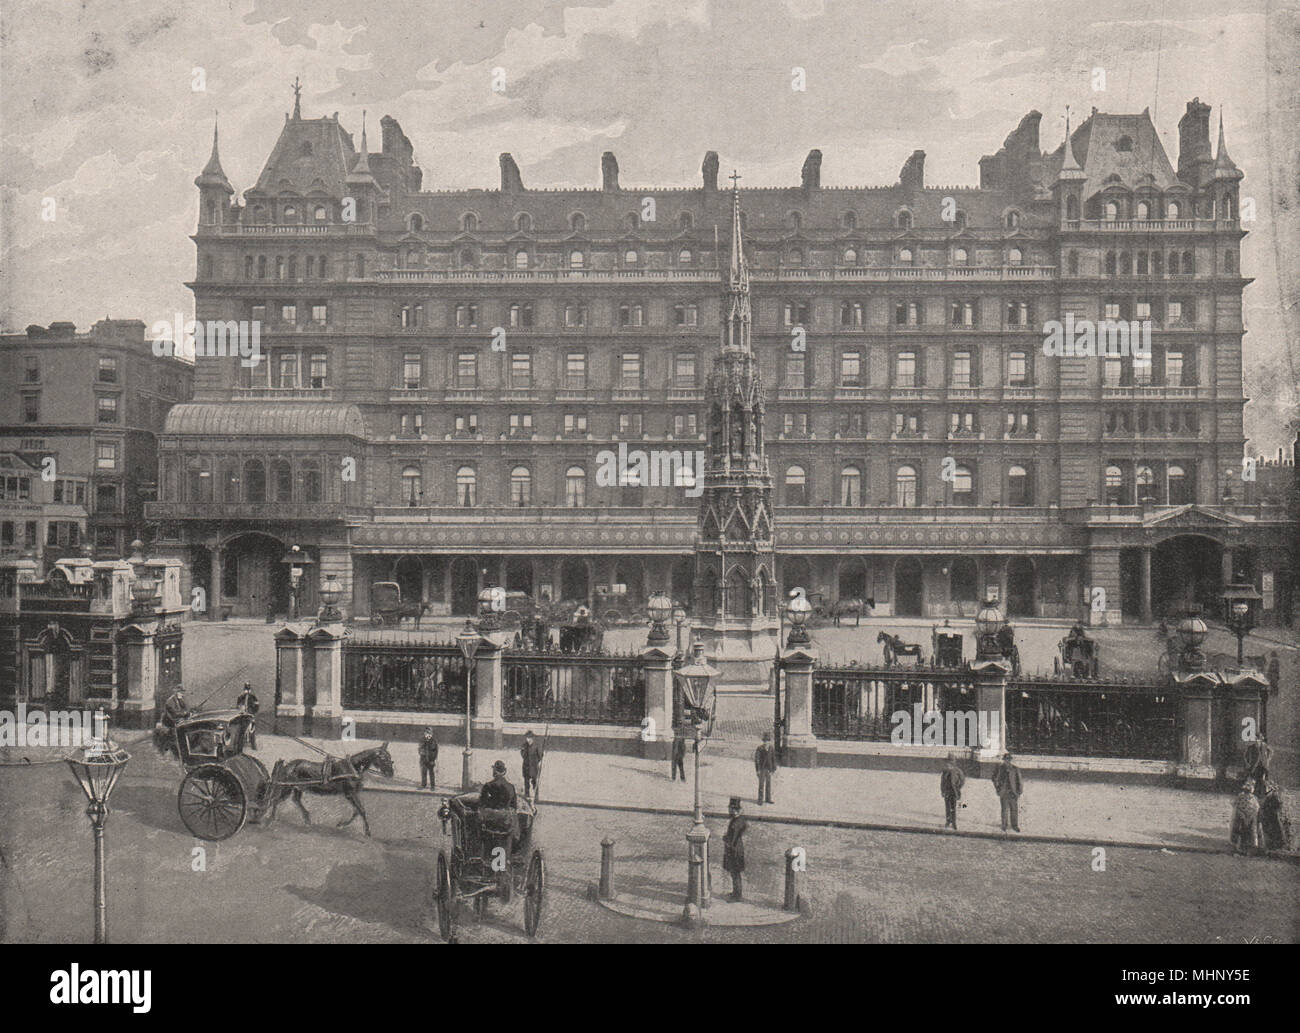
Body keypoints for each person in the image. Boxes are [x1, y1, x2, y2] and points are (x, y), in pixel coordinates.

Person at [722, 797, 747, 902]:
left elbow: (733, 839)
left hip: (734, 851)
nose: (729, 810)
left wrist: (725, 839)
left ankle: (737, 896)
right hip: (737, 848)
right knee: (735, 873)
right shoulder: (739, 819)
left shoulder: (736, 823)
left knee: (735, 873)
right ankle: (736, 893)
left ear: (733, 809)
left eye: (730, 808)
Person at [1257, 780, 1293, 852]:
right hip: (1268, 815)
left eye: (1267, 787)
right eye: (1265, 787)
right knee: (1269, 830)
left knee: (1274, 830)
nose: (1265, 789)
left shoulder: (1274, 795)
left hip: (1272, 816)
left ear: (1271, 788)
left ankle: (1277, 846)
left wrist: (1272, 810)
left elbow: (1279, 805)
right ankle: (1271, 846)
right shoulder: (1267, 796)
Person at [992, 752, 1023, 832]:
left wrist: (1019, 791)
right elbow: (994, 778)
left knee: (1014, 809)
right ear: (1004, 760)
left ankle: (1014, 825)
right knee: (1004, 809)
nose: (1007, 761)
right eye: (1005, 760)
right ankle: (1004, 825)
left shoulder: (1015, 769)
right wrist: (998, 788)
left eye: (1008, 760)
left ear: (1010, 760)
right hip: (1004, 792)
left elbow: (1019, 781)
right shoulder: (1000, 768)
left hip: (1013, 792)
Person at [1230, 779, 1260, 855]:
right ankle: (1239, 846)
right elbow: (1235, 805)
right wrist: (1243, 814)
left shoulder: (1253, 798)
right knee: (1242, 830)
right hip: (1243, 816)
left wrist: (1249, 815)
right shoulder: (1243, 796)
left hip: (1249, 817)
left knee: (1248, 831)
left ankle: (1245, 847)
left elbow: (1256, 808)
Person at [940, 752, 966, 830]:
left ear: (954, 763)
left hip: (954, 792)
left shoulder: (958, 771)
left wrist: (958, 787)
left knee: (953, 808)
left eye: (951, 761)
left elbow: (962, 780)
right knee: (947, 807)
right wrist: (942, 791)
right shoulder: (945, 771)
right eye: (948, 762)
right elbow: (942, 782)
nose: (949, 764)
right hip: (947, 792)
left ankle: (954, 823)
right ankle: (948, 821)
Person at [520, 730, 544, 801]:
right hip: (526, 766)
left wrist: (535, 762)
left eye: (530, 738)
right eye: (527, 738)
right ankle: (526, 795)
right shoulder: (524, 745)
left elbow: (540, 756)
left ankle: (536, 796)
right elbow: (522, 754)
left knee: (535, 782)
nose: (528, 740)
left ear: (532, 738)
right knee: (526, 782)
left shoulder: (536, 746)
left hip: (534, 767)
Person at [754, 731, 777, 804]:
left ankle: (768, 799)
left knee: (768, 784)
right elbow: (757, 759)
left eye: (767, 741)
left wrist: (773, 769)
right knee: (761, 784)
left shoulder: (771, 748)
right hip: (762, 768)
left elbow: (773, 759)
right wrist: (758, 770)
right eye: (764, 741)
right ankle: (760, 800)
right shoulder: (760, 748)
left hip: (769, 769)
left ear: (769, 741)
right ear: (763, 741)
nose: (766, 742)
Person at [236, 682, 259, 749]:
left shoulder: (253, 697)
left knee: (252, 730)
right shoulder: (241, 697)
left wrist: (253, 712)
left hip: (250, 715)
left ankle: (253, 745)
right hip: (243, 716)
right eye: (246, 688)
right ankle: (240, 746)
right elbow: (238, 706)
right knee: (242, 730)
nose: (247, 690)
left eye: (248, 688)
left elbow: (257, 705)